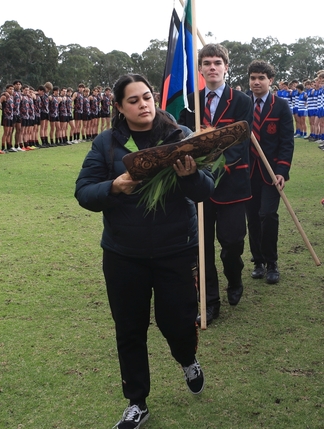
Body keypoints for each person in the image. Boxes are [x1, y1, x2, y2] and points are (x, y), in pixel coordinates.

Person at [75, 74, 212, 429]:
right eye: (133, 100)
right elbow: (84, 192)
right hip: (124, 254)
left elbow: (203, 191)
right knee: (130, 328)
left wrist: (190, 174)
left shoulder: (178, 135)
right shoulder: (107, 144)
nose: (143, 104)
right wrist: (114, 186)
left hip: (175, 250)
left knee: (178, 321)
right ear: (119, 107)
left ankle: (187, 358)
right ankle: (137, 401)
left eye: (147, 97)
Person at [179, 43, 253, 325]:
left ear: (226, 67)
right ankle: (210, 302)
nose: (212, 67)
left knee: (232, 242)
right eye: (207, 62)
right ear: (200, 69)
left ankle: (234, 276)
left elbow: (239, 140)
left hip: (232, 182)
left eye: (217, 62)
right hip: (198, 184)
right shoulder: (191, 101)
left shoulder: (242, 100)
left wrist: (213, 162)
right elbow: (183, 137)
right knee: (202, 247)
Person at [246, 60, 294, 285]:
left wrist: (282, 170)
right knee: (253, 218)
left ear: (270, 80)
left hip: (271, 172)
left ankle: (272, 262)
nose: (256, 82)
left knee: (268, 215)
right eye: (253, 78)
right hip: (247, 172)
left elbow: (286, 141)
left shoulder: (281, 105)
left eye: (261, 78)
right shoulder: (244, 105)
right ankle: (258, 262)